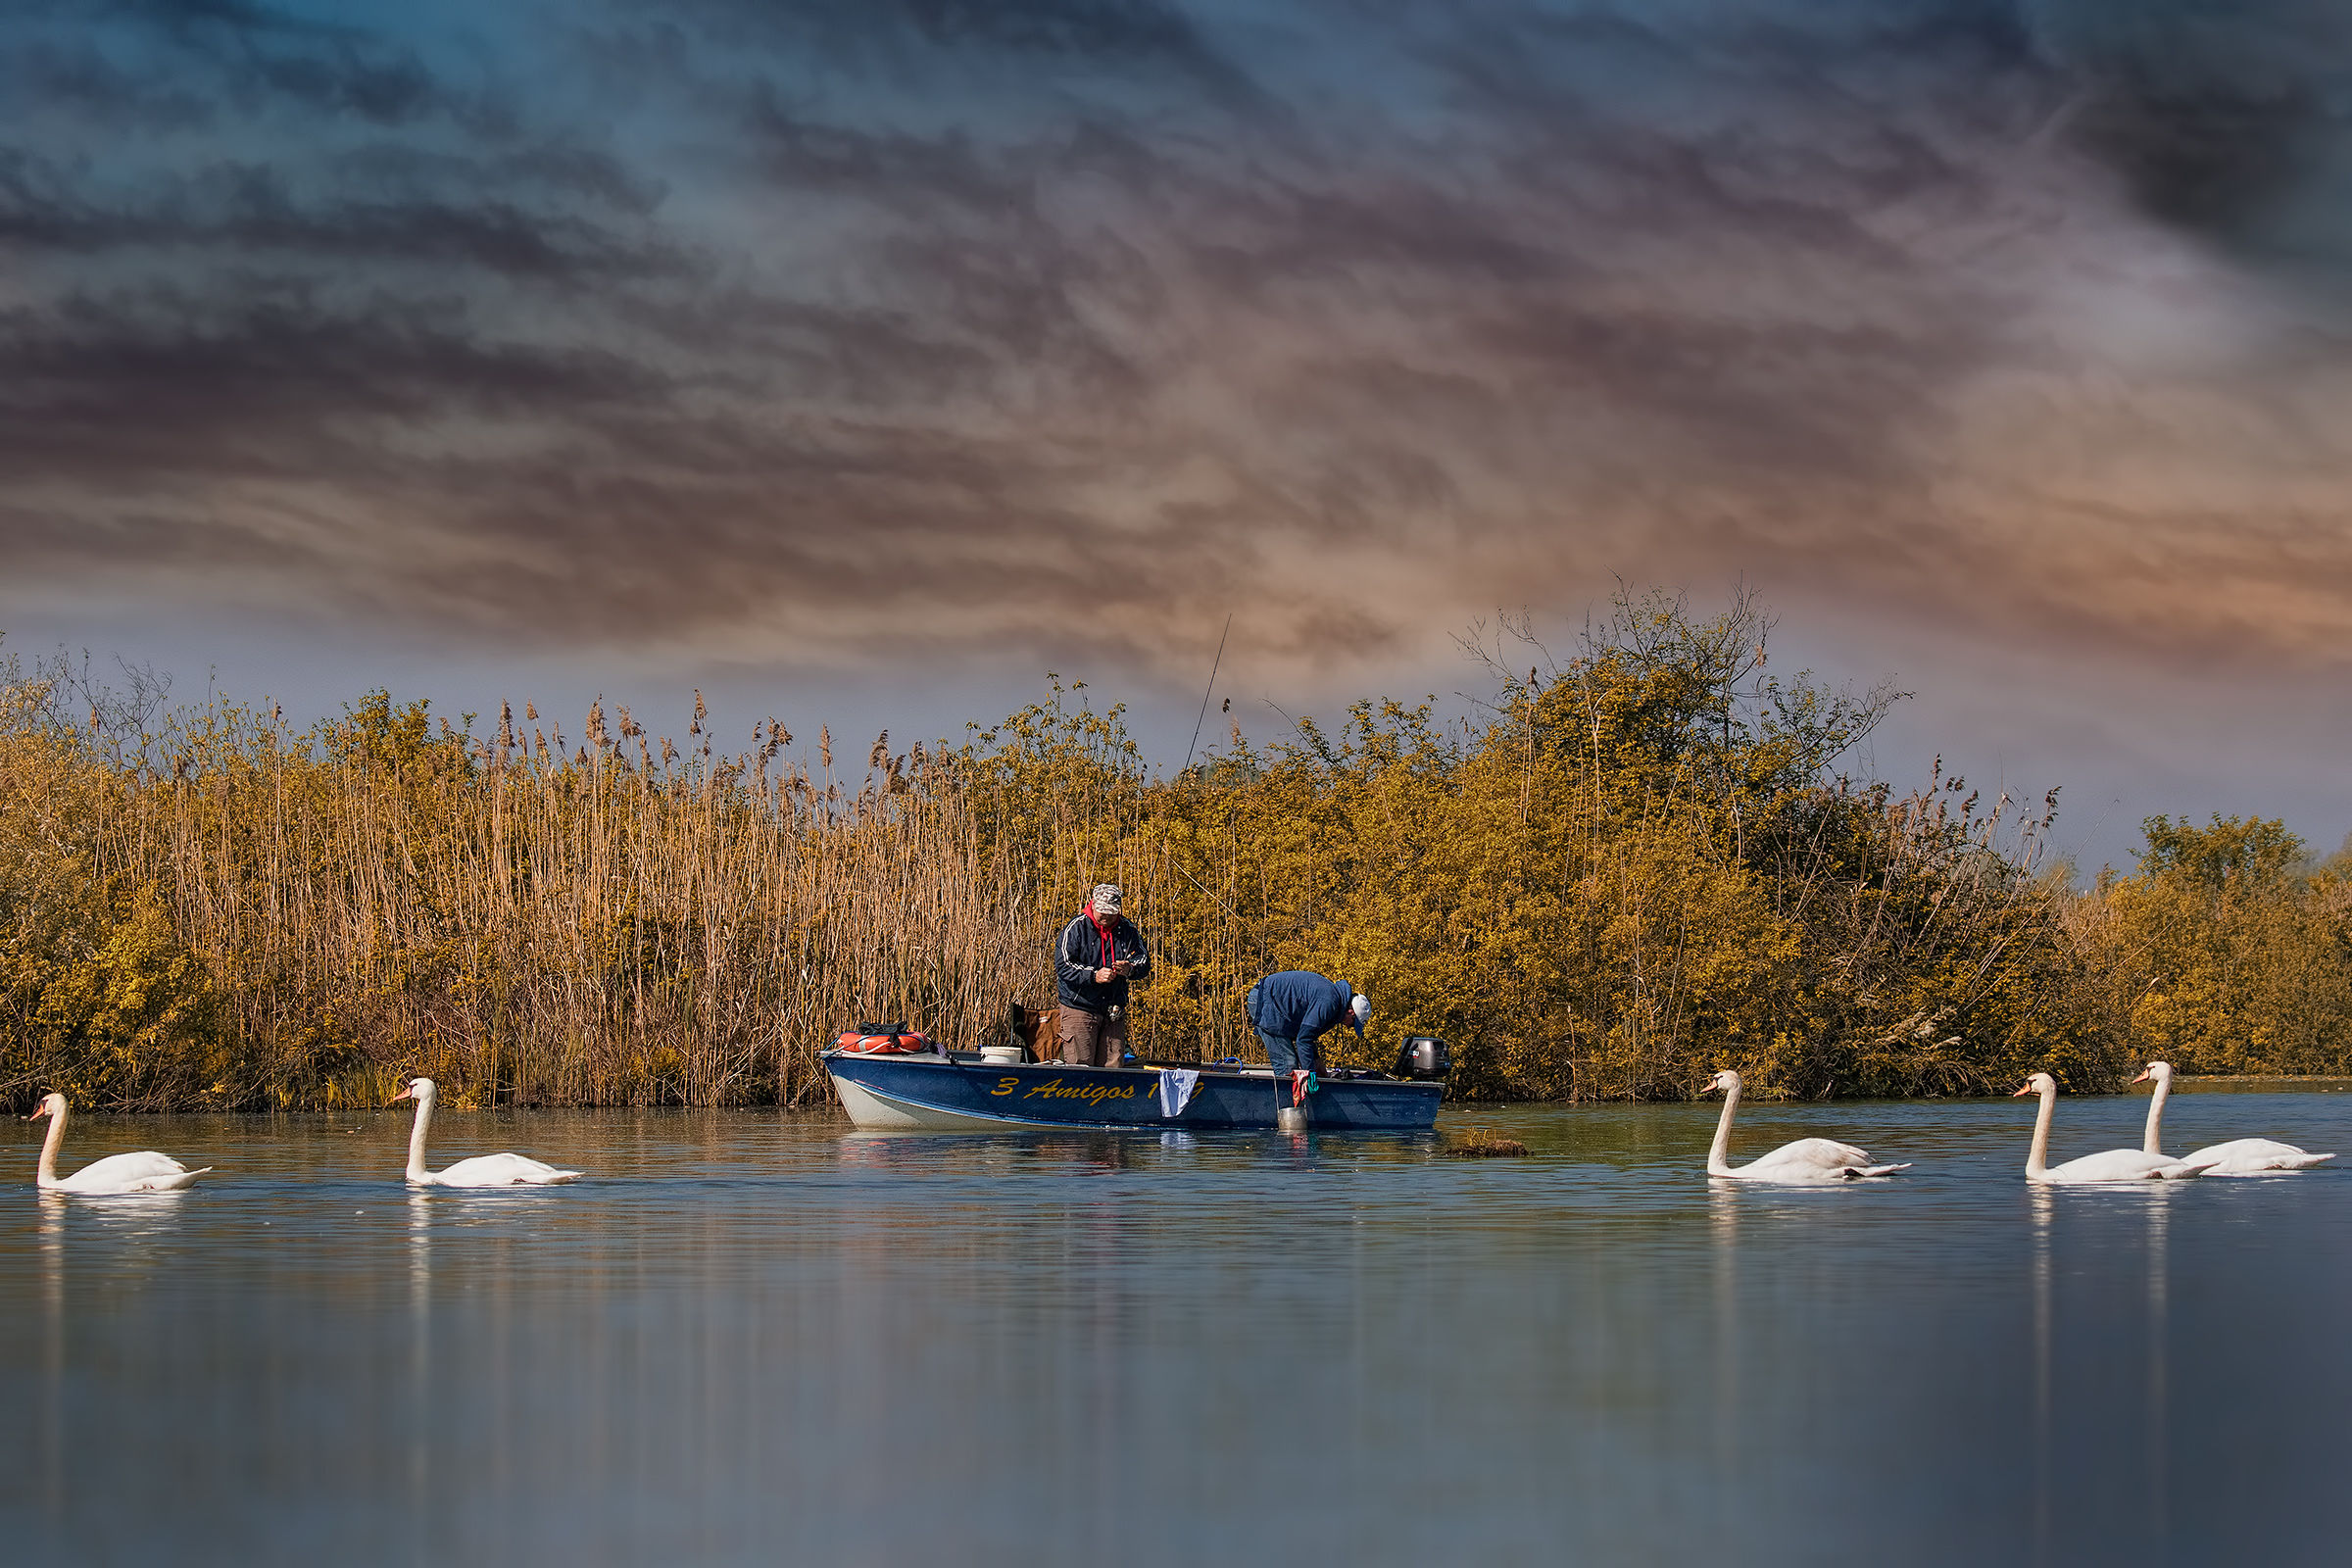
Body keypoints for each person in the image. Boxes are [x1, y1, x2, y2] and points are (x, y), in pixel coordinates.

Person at [1054, 884, 1151, 1068]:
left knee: (1113, 1066)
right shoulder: (1075, 928)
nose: (1105, 916)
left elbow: (1144, 961)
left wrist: (1130, 968)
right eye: (1102, 911)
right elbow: (1063, 966)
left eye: (1110, 912)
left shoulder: (1128, 930)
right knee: (1080, 1067)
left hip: (1113, 1009)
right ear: (1093, 905)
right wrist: (1093, 975)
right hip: (1079, 1006)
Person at [1245, 970, 1369, 1078]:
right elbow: (1303, 1040)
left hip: (1274, 1004)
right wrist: (1310, 1074)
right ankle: (1289, 1105)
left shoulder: (1334, 1003)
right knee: (1288, 1065)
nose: (1348, 1027)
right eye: (1353, 1024)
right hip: (1265, 1001)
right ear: (1351, 1012)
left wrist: (1317, 1064)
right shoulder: (1329, 1002)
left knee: (1296, 1066)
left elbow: (1306, 1033)